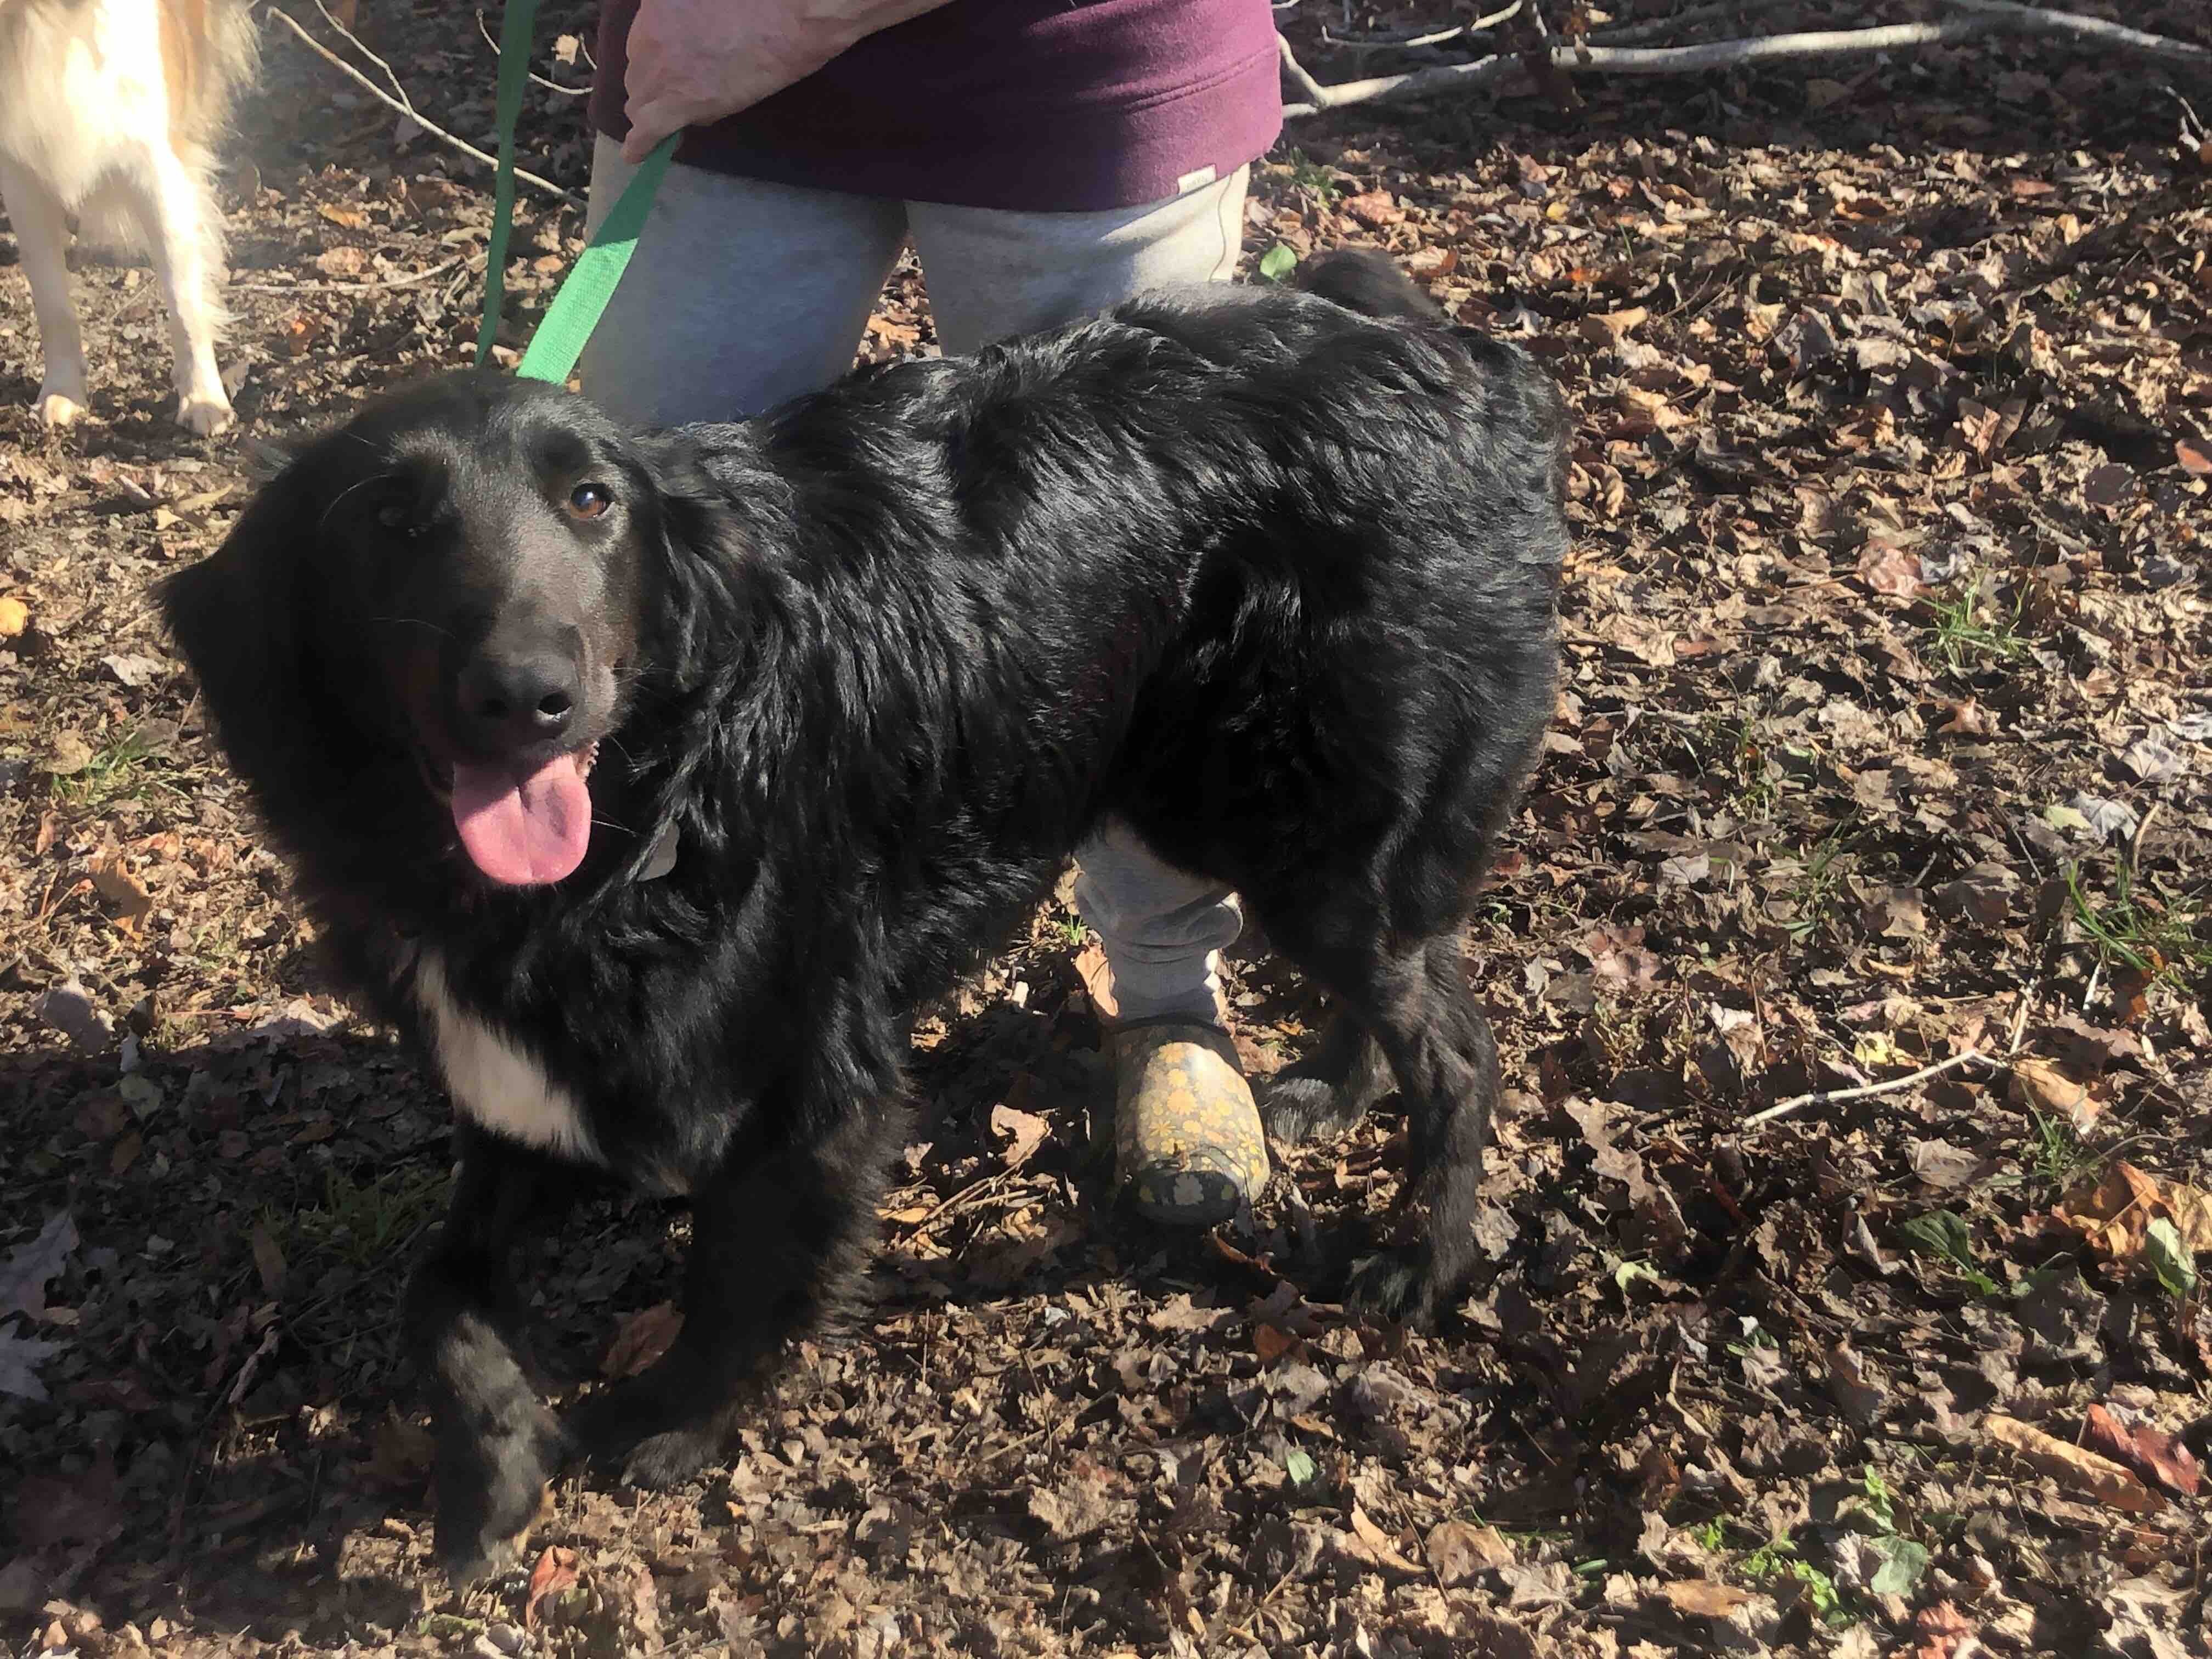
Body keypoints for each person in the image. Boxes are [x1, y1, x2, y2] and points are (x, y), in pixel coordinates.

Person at [580, 0, 1285, 1226]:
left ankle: (1172, 997)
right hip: (711, 74)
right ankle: (669, 998)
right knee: (647, 580)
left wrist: (791, 13)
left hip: (1078, 68)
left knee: (1142, 581)